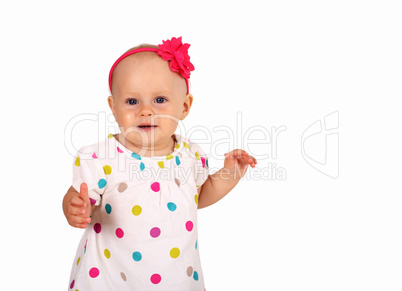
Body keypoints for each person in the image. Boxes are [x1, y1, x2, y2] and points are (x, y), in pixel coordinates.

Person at [63, 36, 257, 290]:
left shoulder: (189, 155)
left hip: (174, 276)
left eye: (159, 100)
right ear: (113, 106)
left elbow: (201, 194)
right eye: (132, 101)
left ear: (184, 106)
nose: (146, 110)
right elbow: (79, 195)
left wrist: (229, 174)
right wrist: (74, 206)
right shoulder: (102, 158)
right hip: (110, 276)